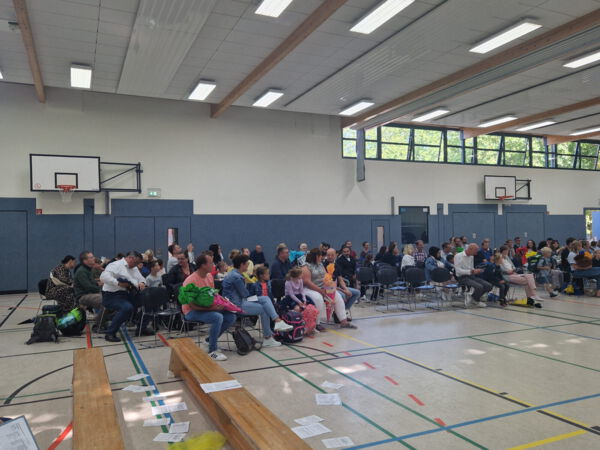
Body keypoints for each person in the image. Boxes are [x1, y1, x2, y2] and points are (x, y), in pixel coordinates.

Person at [222, 254, 292, 347]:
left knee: (265, 298)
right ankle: (269, 336)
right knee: (264, 308)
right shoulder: (236, 277)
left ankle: (277, 322)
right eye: (247, 264)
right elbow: (244, 294)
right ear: (242, 264)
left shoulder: (235, 273)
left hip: (240, 300)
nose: (248, 265)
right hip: (235, 305)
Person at [182, 253, 236, 361]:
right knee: (217, 317)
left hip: (207, 307)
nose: (213, 265)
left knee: (231, 316)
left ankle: (209, 341)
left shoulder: (209, 276)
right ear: (203, 265)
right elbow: (192, 305)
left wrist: (224, 302)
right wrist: (211, 309)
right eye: (211, 263)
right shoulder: (190, 281)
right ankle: (212, 351)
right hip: (191, 311)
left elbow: (213, 294)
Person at [100, 251, 152, 342]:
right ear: (130, 258)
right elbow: (103, 277)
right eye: (136, 262)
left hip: (128, 294)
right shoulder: (115, 265)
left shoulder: (134, 267)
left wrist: (142, 282)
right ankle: (110, 333)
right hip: (111, 295)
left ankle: (141, 328)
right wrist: (118, 283)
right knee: (127, 308)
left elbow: (141, 278)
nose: (137, 265)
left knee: (150, 302)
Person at [302, 248, 356, 329]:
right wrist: (320, 290)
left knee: (337, 297)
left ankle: (343, 321)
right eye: (320, 256)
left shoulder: (320, 264)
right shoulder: (306, 266)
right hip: (310, 289)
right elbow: (307, 282)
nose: (322, 257)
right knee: (318, 298)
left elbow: (326, 277)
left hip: (323, 288)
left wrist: (329, 287)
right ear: (316, 256)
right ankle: (317, 323)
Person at [74, 251, 106, 329]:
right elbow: (88, 287)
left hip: (90, 293)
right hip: (83, 296)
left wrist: (98, 283)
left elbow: (92, 282)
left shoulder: (88, 269)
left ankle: (103, 320)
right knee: (106, 301)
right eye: (91, 257)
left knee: (112, 300)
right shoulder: (81, 271)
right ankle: (98, 325)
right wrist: (102, 289)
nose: (94, 258)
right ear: (85, 261)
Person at [326, 248, 359, 317]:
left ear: (336, 255)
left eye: (332, 255)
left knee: (357, 293)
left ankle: (343, 311)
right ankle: (340, 314)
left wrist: (346, 289)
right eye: (328, 255)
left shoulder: (336, 265)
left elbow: (340, 280)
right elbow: (328, 285)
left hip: (337, 287)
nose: (330, 257)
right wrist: (344, 291)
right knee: (343, 295)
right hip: (329, 289)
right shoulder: (324, 266)